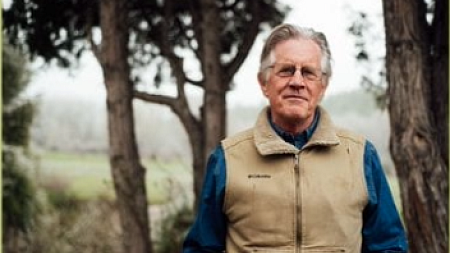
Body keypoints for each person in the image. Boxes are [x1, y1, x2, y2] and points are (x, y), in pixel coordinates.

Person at [182, 23, 408, 253]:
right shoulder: (228, 158)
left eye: (309, 72)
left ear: (322, 86)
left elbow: (389, 246)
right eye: (286, 70)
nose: (297, 82)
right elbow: (202, 247)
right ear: (264, 83)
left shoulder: (361, 156)